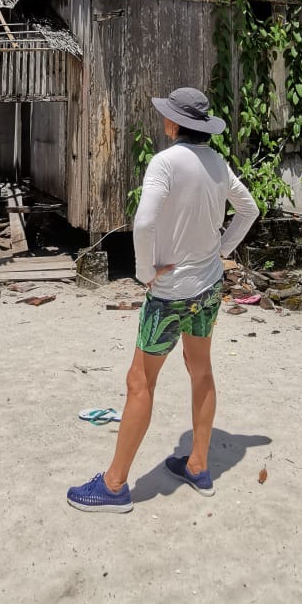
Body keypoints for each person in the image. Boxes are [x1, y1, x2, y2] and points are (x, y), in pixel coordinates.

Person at [67, 87, 259, 512]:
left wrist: (143, 272)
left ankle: (114, 486)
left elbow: (144, 223)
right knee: (201, 371)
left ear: (174, 124)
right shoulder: (217, 163)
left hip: (169, 294)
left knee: (140, 382)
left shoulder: (165, 163)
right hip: (208, 289)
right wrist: (222, 250)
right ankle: (198, 465)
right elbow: (249, 210)